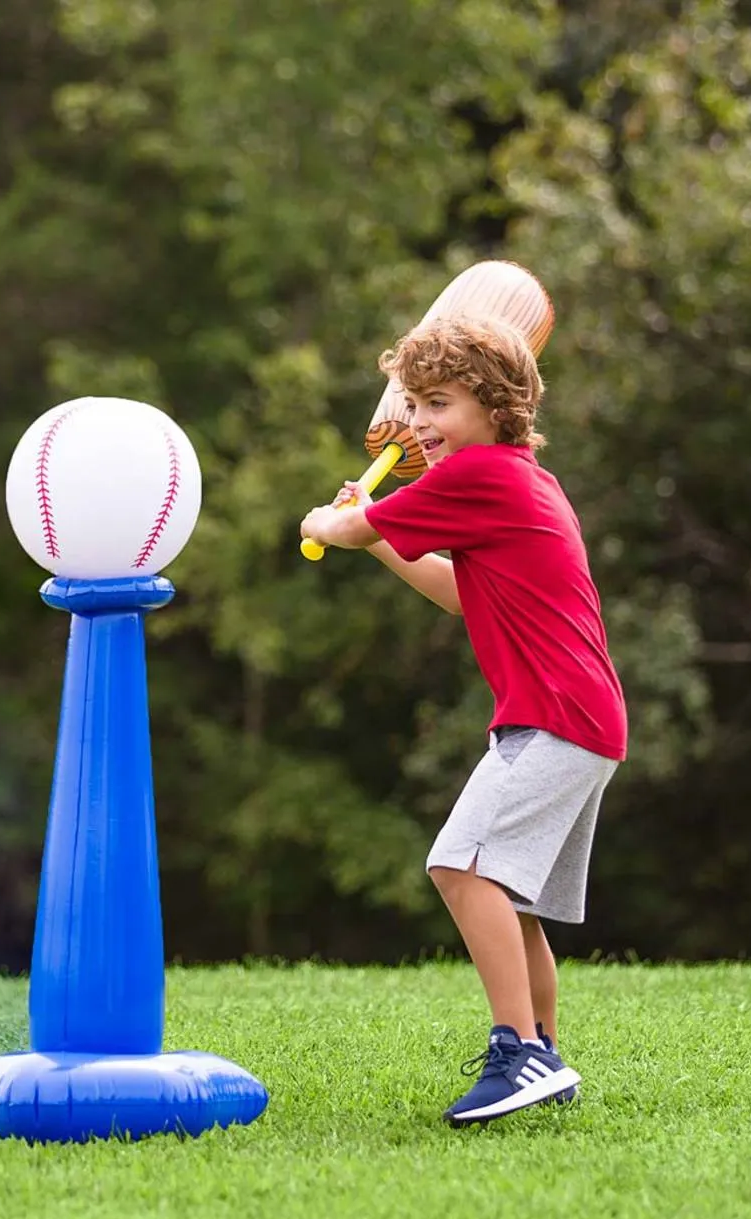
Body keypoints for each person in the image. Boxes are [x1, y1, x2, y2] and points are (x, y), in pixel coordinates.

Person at [299, 316, 627, 1125]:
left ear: (496, 405)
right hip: (578, 718)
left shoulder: (477, 478)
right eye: (411, 404)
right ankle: (543, 1054)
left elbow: (341, 526)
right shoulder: (519, 479)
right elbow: (459, 592)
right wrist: (377, 539)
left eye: (436, 403)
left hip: (555, 716)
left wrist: (331, 523)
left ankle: (518, 1053)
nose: (416, 424)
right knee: (509, 900)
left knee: (461, 868)